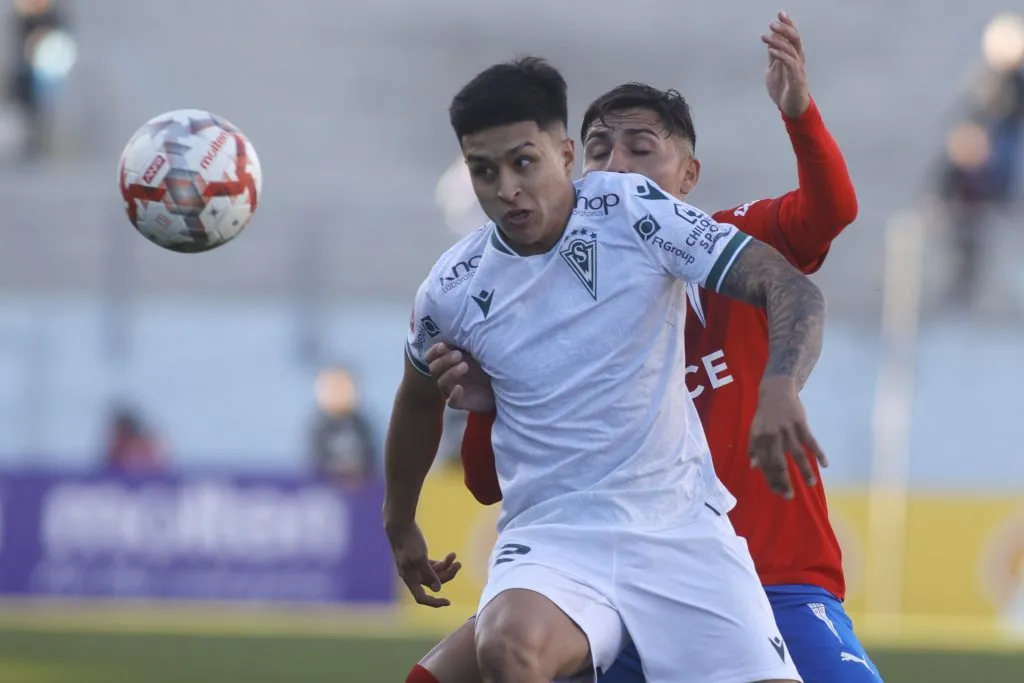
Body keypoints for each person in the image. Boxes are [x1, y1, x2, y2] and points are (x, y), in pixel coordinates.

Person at [410, 12, 878, 683]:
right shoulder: (533, 301)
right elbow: (487, 482)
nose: (617, 167)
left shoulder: (728, 244)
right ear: (573, 164)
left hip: (765, 575)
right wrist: (489, 401)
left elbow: (830, 212)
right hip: (602, 575)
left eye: (640, 148)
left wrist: (799, 114)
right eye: (600, 150)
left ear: (688, 174)